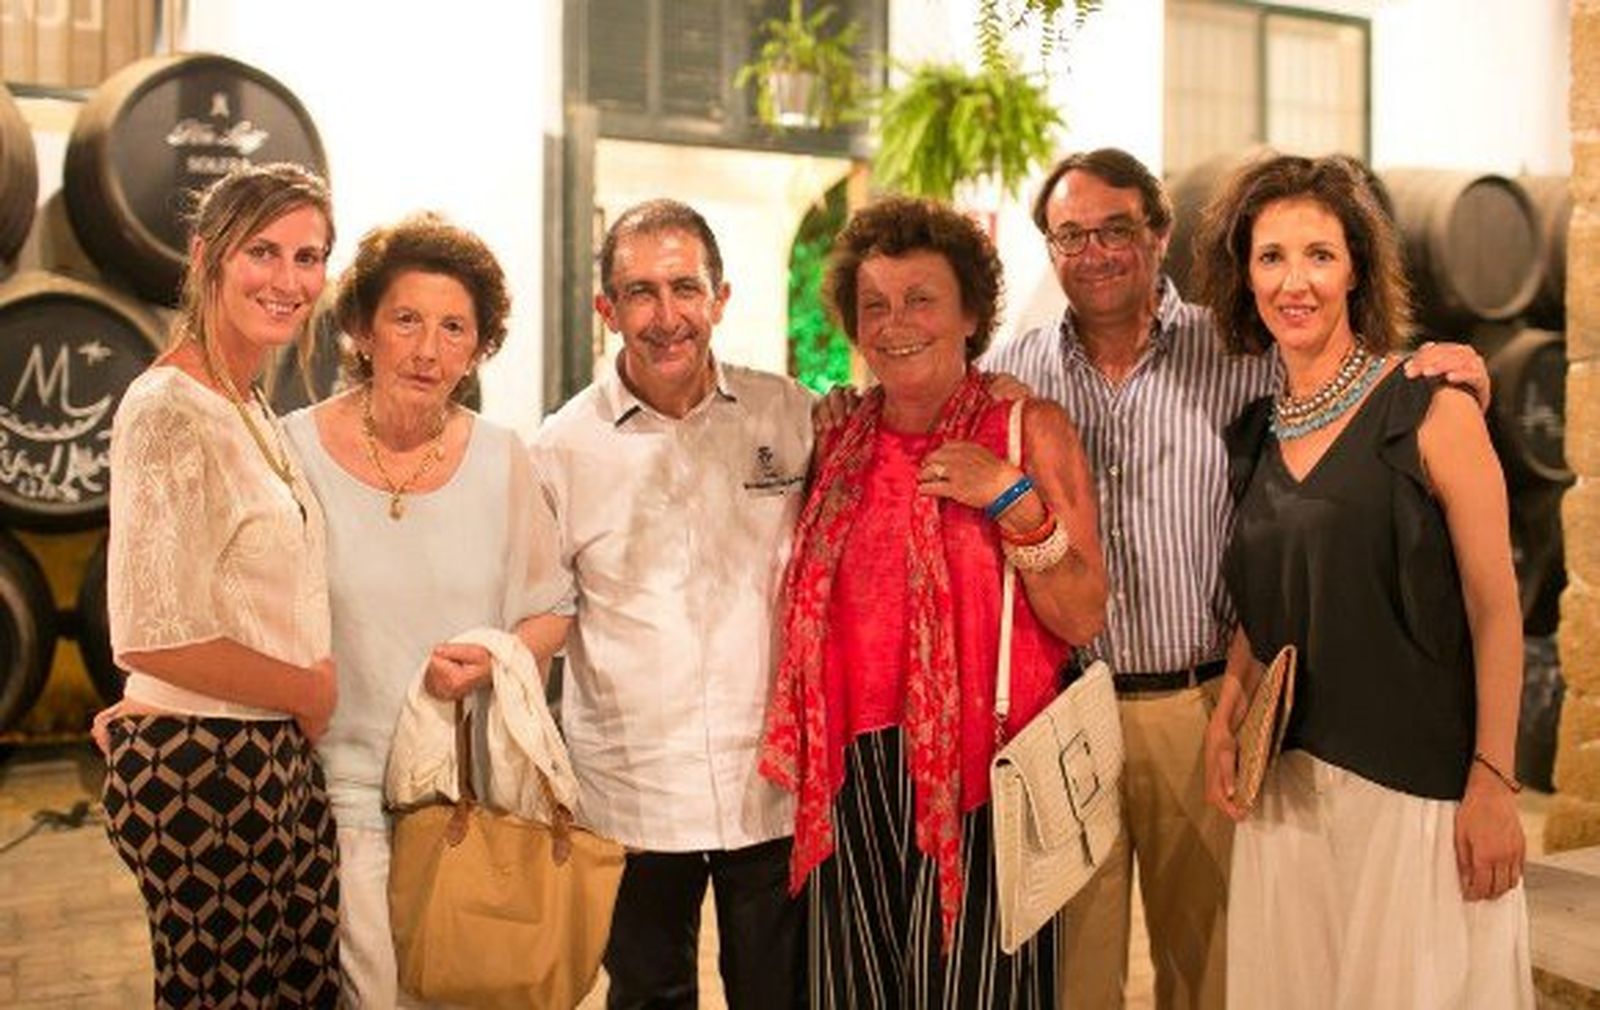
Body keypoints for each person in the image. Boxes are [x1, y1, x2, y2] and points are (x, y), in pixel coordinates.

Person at [980, 147, 1489, 1010]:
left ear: (1160, 233)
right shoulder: (1014, 374)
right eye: (1071, 235)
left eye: (1116, 229)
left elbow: (1356, 402)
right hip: (1064, 714)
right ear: (1050, 248)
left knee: (1214, 974)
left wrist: (1460, 373)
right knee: (1071, 978)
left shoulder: (1241, 351)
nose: (1094, 252)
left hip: (1206, 706)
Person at [1196, 152, 1532, 1009]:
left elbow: (1497, 611)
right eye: (1271, 256)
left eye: (1319, 254)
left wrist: (1495, 780)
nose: (1293, 281)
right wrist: (1231, 705)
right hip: (1290, 794)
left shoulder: (1431, 406)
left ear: (1357, 269)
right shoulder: (1251, 436)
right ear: (1246, 276)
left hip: (1415, 792)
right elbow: (1266, 601)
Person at [761, 195, 1108, 1009]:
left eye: (921, 300)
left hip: (981, 773)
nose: (895, 323)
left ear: (969, 314)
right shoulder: (841, 439)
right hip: (851, 778)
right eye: (874, 305)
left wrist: (1014, 501)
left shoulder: (1027, 429)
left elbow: (1084, 612)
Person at [529, 198, 811, 1010]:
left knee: (776, 994)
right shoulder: (562, 448)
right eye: (641, 292)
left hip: (771, 781)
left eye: (685, 288)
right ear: (606, 309)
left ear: (721, 298)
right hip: (632, 787)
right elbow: (546, 604)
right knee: (648, 996)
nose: (666, 316)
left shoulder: (786, 415)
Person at [281, 213, 569, 1007]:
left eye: (454, 329)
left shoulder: (503, 457)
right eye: (406, 320)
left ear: (477, 349)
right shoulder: (290, 451)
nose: (428, 348)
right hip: (337, 795)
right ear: (363, 328)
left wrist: (497, 656)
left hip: (466, 800)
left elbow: (551, 611)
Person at [96, 162, 341, 1008]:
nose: (288, 279)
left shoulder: (247, 405)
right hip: (207, 767)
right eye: (263, 252)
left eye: (308, 257)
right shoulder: (168, 409)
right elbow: (152, 632)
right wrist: (307, 689)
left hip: (262, 755)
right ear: (208, 256)